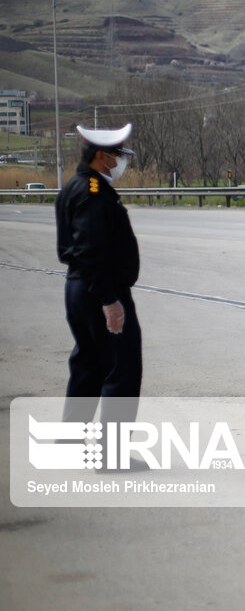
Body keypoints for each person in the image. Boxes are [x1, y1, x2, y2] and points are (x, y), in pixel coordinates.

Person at [55, 124, 143, 429]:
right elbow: (90, 250)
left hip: (81, 288)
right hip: (100, 291)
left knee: (89, 366)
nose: (121, 161)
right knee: (122, 368)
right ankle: (113, 454)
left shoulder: (76, 186)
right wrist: (109, 300)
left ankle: (68, 440)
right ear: (102, 156)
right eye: (117, 154)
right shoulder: (93, 193)